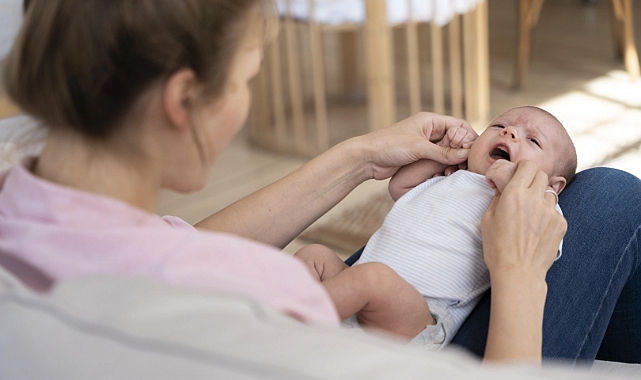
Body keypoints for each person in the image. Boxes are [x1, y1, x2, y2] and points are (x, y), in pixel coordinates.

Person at [0, 0, 637, 369]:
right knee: (609, 198)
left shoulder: (19, 210)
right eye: (247, 80)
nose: (245, 103)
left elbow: (159, 251)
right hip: (415, 332)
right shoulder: (271, 303)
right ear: (182, 100)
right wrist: (521, 272)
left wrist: (360, 155)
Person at [294, 106, 576, 348]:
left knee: (373, 278)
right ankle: (309, 319)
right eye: (499, 125)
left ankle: (285, 323)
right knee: (314, 255)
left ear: (553, 185)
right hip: (361, 287)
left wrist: (509, 183)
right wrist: (443, 154)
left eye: (533, 140)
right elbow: (399, 186)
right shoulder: (453, 177)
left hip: (422, 314)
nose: (509, 132)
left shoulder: (535, 207)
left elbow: (541, 250)